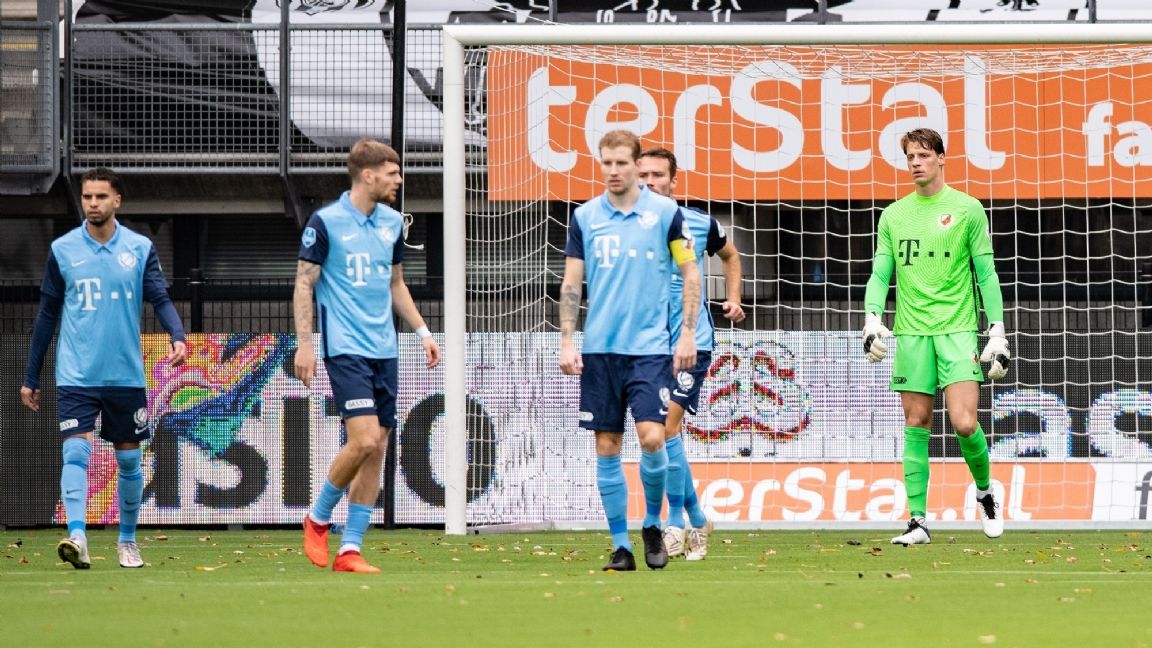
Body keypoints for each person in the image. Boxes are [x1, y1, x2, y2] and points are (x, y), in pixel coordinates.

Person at [22, 167, 188, 569]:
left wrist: (177, 335)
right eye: (87, 197)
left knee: (129, 462)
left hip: (125, 375)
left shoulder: (139, 248)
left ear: (117, 200)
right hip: (76, 374)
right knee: (75, 452)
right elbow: (47, 314)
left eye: (100, 196)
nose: (93, 203)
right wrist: (31, 376)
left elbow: (160, 298)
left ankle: (127, 541)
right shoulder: (63, 249)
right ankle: (78, 536)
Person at [295, 139, 440, 574]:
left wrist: (423, 331)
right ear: (368, 175)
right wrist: (306, 343)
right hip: (345, 348)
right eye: (393, 174)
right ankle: (318, 517)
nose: (400, 181)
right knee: (363, 440)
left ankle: (350, 550)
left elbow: (396, 283)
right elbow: (304, 283)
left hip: (385, 350)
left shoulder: (393, 222)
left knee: (377, 449)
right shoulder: (325, 222)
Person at [559, 130, 701, 571]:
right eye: (606, 163)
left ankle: (652, 524)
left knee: (653, 437)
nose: (613, 171)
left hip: (650, 350)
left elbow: (691, 273)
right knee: (607, 445)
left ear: (637, 165)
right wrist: (567, 339)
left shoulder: (665, 214)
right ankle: (621, 546)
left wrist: (688, 333)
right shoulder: (585, 217)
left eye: (621, 163)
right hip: (601, 351)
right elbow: (571, 282)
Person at [862, 128, 1010, 545]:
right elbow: (880, 273)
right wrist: (872, 318)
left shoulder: (967, 209)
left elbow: (986, 273)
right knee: (916, 422)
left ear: (941, 158)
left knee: (964, 423)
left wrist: (997, 331)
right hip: (912, 332)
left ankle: (985, 492)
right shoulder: (893, 216)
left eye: (924, 155)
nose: (916, 162)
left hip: (957, 329)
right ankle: (918, 521)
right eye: (910, 156)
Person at [637, 147, 744, 561]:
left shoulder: (700, 223)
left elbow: (730, 255)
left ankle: (676, 525)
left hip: (691, 343)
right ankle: (697, 518)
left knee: (666, 428)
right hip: (645, 345)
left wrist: (733, 298)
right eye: (643, 174)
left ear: (672, 181)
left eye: (657, 175)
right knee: (660, 434)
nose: (650, 182)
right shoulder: (624, 227)